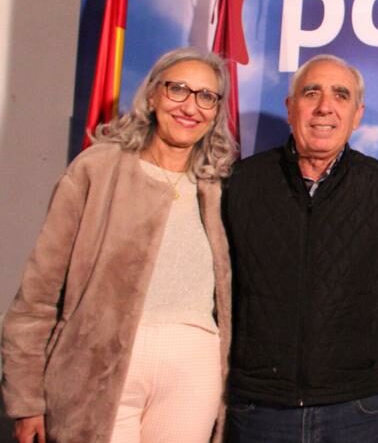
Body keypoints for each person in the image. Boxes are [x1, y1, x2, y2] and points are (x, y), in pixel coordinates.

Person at [2, 48, 237, 443]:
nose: (190, 106)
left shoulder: (222, 188)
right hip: (95, 366)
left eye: (206, 96)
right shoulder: (97, 170)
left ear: (215, 112)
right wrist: (26, 399)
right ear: (152, 95)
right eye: (178, 89)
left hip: (192, 368)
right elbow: (38, 294)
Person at [223, 55, 378, 443]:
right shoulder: (240, 183)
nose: (325, 106)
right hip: (260, 407)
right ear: (290, 108)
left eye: (341, 95)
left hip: (353, 408)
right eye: (311, 93)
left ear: (357, 115)